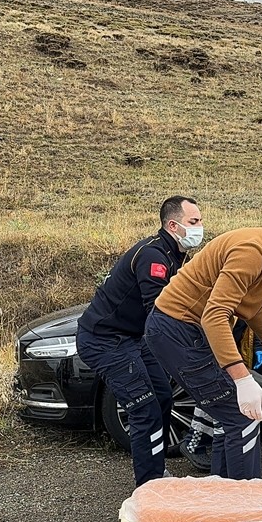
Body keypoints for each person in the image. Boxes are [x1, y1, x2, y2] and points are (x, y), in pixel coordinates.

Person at [144, 210, 262, 480]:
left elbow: (250, 307)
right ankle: (246, 497)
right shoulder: (252, 251)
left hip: (187, 330)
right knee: (243, 416)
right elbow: (215, 315)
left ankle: (226, 492)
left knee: (230, 417)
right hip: (177, 330)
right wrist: (242, 379)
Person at [75, 196, 204, 486]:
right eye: (194, 221)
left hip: (133, 338)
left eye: (200, 221)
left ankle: (156, 470)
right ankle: (149, 484)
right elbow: (158, 312)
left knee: (163, 396)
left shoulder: (176, 254)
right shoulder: (153, 256)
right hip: (104, 340)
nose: (200, 227)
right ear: (173, 225)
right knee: (144, 408)